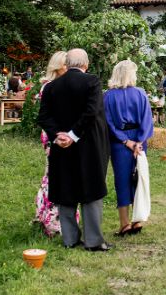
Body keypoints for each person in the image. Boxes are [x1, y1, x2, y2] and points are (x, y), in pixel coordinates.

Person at [37, 48, 112, 251]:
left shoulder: (51, 87)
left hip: (61, 147)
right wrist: (73, 135)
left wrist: (58, 135)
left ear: (67, 64)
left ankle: (70, 239)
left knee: (66, 189)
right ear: (85, 64)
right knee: (91, 189)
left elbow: (43, 117)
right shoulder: (92, 82)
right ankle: (93, 241)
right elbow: (91, 111)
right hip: (89, 146)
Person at [104, 60, 154, 237]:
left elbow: (109, 123)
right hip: (138, 141)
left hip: (120, 143)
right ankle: (136, 220)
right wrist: (139, 141)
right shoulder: (140, 94)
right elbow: (147, 120)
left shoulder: (108, 96)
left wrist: (126, 141)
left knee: (122, 179)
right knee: (137, 177)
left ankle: (124, 223)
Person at [35, 51, 71, 237]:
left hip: (52, 132)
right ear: (59, 66)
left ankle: (45, 213)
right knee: (53, 174)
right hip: (53, 134)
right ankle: (52, 218)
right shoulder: (51, 87)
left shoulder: (49, 85)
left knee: (50, 173)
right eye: (67, 64)